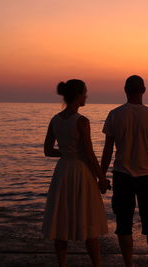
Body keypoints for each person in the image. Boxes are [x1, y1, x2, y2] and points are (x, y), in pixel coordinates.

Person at [42, 79, 110, 267]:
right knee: (88, 219)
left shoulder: (55, 119)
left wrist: (65, 152)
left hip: (63, 171)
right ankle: (97, 264)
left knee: (60, 218)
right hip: (80, 172)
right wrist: (102, 177)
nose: (86, 96)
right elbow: (89, 154)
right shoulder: (81, 121)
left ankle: (61, 264)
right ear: (78, 95)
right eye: (84, 93)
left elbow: (48, 150)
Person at [101, 75, 148, 267]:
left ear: (125, 90)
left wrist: (101, 176)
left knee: (123, 223)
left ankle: (128, 264)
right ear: (144, 90)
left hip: (122, 175)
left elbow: (107, 150)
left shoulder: (115, 114)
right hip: (147, 175)